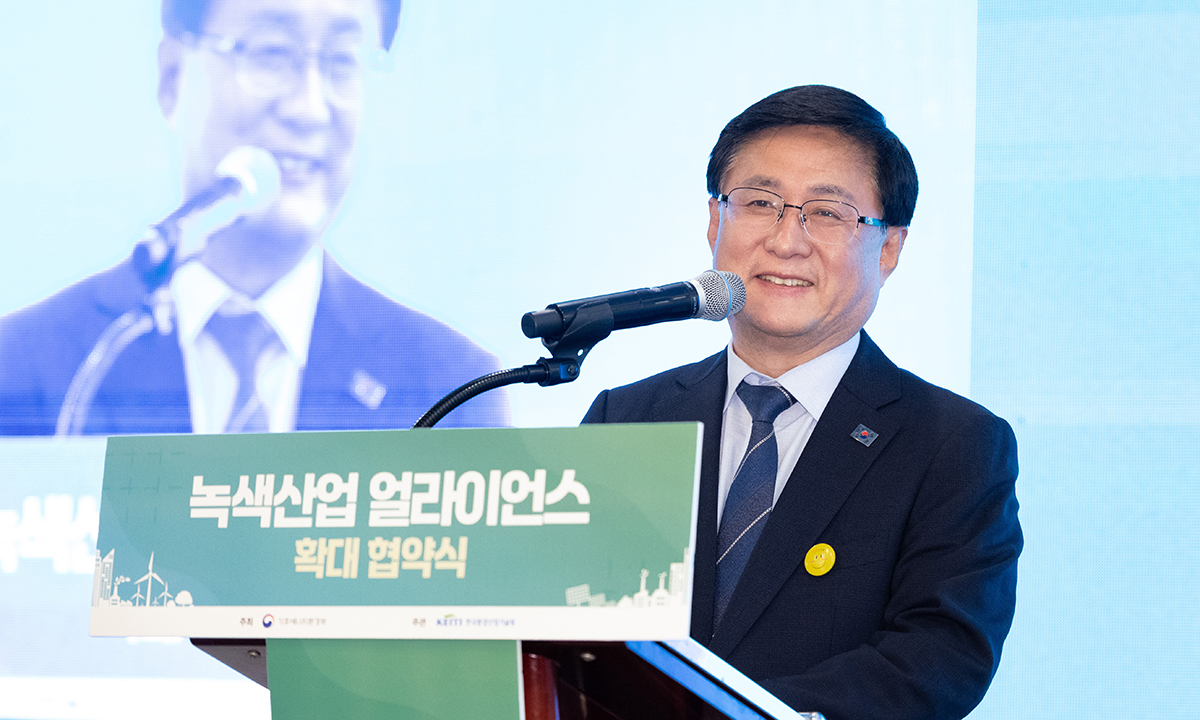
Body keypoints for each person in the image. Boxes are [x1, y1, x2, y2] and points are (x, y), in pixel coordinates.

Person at [583, 85, 1022, 720]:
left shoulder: (952, 445)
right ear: (715, 223)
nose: (787, 240)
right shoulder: (626, 419)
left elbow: (937, 659)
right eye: (760, 203)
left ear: (890, 247)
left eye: (828, 213)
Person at [0, 0, 508, 435]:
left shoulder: (451, 387)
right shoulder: (24, 369)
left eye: (343, 60)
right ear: (172, 77)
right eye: (272, 53)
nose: (310, 109)